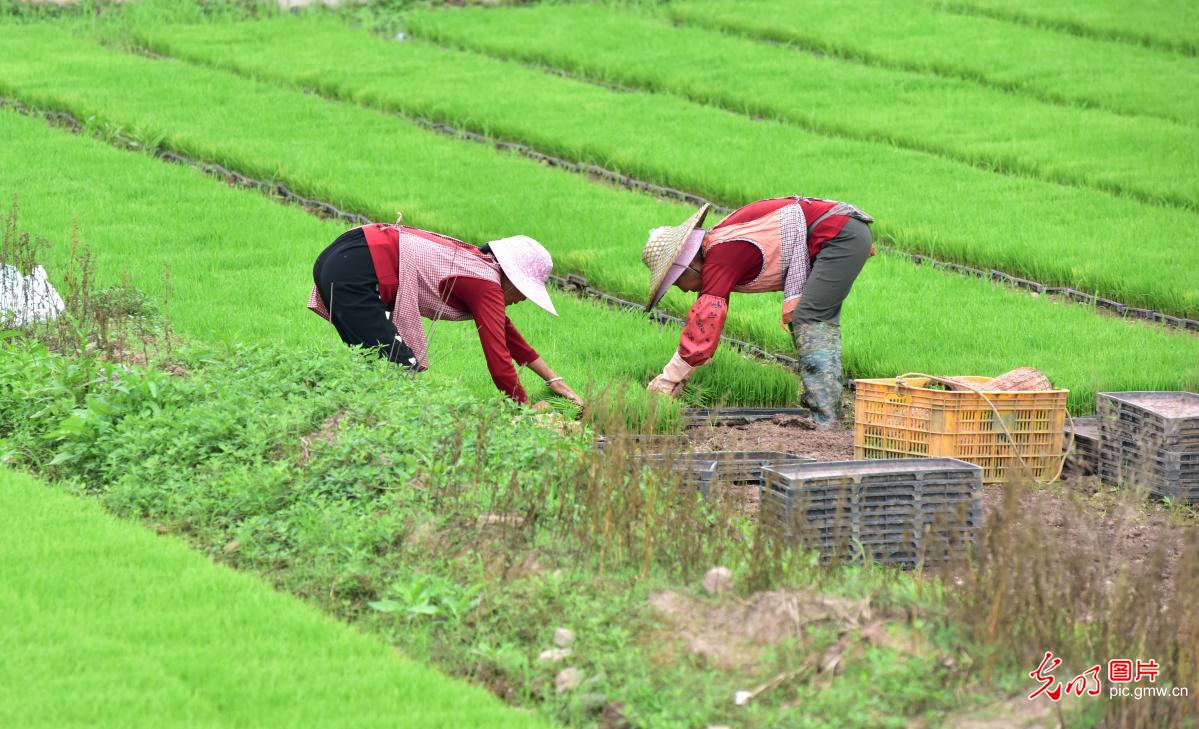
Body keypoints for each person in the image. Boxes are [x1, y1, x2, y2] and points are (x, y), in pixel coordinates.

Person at [640, 196, 874, 428]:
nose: (682, 290)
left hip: (839, 235)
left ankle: (826, 417)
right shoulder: (719, 246)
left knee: (811, 317)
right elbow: (707, 324)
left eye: (676, 281)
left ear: (689, 265)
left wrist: (668, 379)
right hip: (841, 231)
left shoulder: (721, 254)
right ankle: (822, 403)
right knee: (805, 317)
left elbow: (704, 323)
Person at [308, 219, 583, 408]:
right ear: (511, 278)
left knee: (378, 367)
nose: (523, 298)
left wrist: (553, 379)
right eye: (524, 291)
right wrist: (525, 410)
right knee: (399, 370)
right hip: (355, 271)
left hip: (342, 256)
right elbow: (499, 362)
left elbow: (507, 334)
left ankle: (338, 414)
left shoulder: (478, 265)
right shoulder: (485, 285)